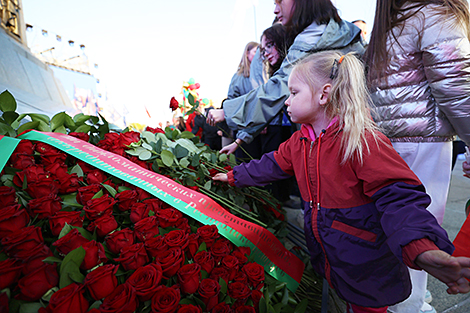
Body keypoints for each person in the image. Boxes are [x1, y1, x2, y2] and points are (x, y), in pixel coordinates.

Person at [212, 50, 470, 313]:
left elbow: (399, 198)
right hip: (336, 261)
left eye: (294, 92)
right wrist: (234, 176)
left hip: (366, 267)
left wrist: (421, 247)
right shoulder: (300, 141)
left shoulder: (361, 140)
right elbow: (271, 164)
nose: (287, 102)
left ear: (324, 94)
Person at [364, 1, 470, 312]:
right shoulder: (436, 14)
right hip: (424, 140)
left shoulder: (395, 20)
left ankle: (403, 301)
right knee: (419, 232)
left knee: (396, 228)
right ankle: (408, 304)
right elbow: (459, 89)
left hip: (388, 141)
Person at [206, 0, 366, 155]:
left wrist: (228, 112)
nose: (276, 9)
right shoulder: (337, 32)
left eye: (279, 1)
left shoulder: (310, 38)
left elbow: (278, 89)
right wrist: (241, 138)